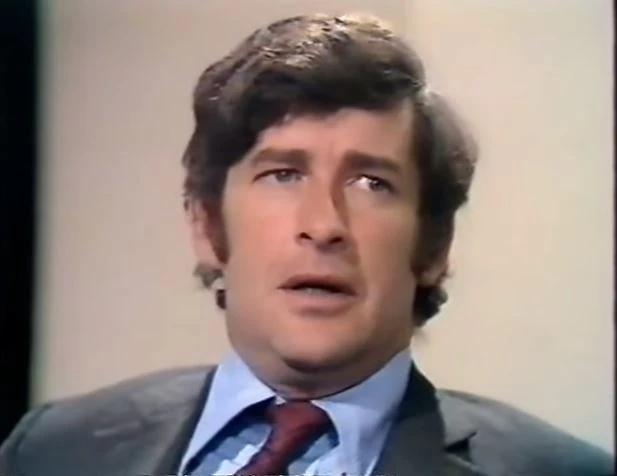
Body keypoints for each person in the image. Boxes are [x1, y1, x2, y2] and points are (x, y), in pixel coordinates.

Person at [0, 12, 612, 476]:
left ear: (433, 246)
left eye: (371, 183)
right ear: (208, 227)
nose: (323, 225)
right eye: (283, 174)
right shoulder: (52, 449)